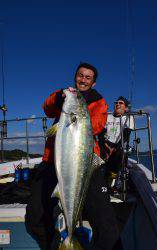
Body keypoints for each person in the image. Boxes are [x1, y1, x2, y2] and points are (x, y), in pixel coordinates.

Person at [25, 62, 120, 250]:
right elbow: (47, 108)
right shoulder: (64, 97)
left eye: (87, 77)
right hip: (53, 161)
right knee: (34, 219)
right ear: (75, 77)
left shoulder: (98, 101)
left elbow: (98, 124)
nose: (83, 80)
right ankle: (58, 243)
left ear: (93, 83)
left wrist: (76, 110)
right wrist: (61, 99)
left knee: (107, 226)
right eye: (80, 75)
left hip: (86, 163)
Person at [99, 96, 134, 185]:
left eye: (121, 103)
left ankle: (112, 180)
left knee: (120, 151)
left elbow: (126, 135)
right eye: (116, 103)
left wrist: (114, 148)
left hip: (119, 144)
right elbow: (101, 133)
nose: (117, 104)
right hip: (106, 143)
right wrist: (105, 146)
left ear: (125, 108)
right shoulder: (108, 116)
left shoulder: (128, 117)